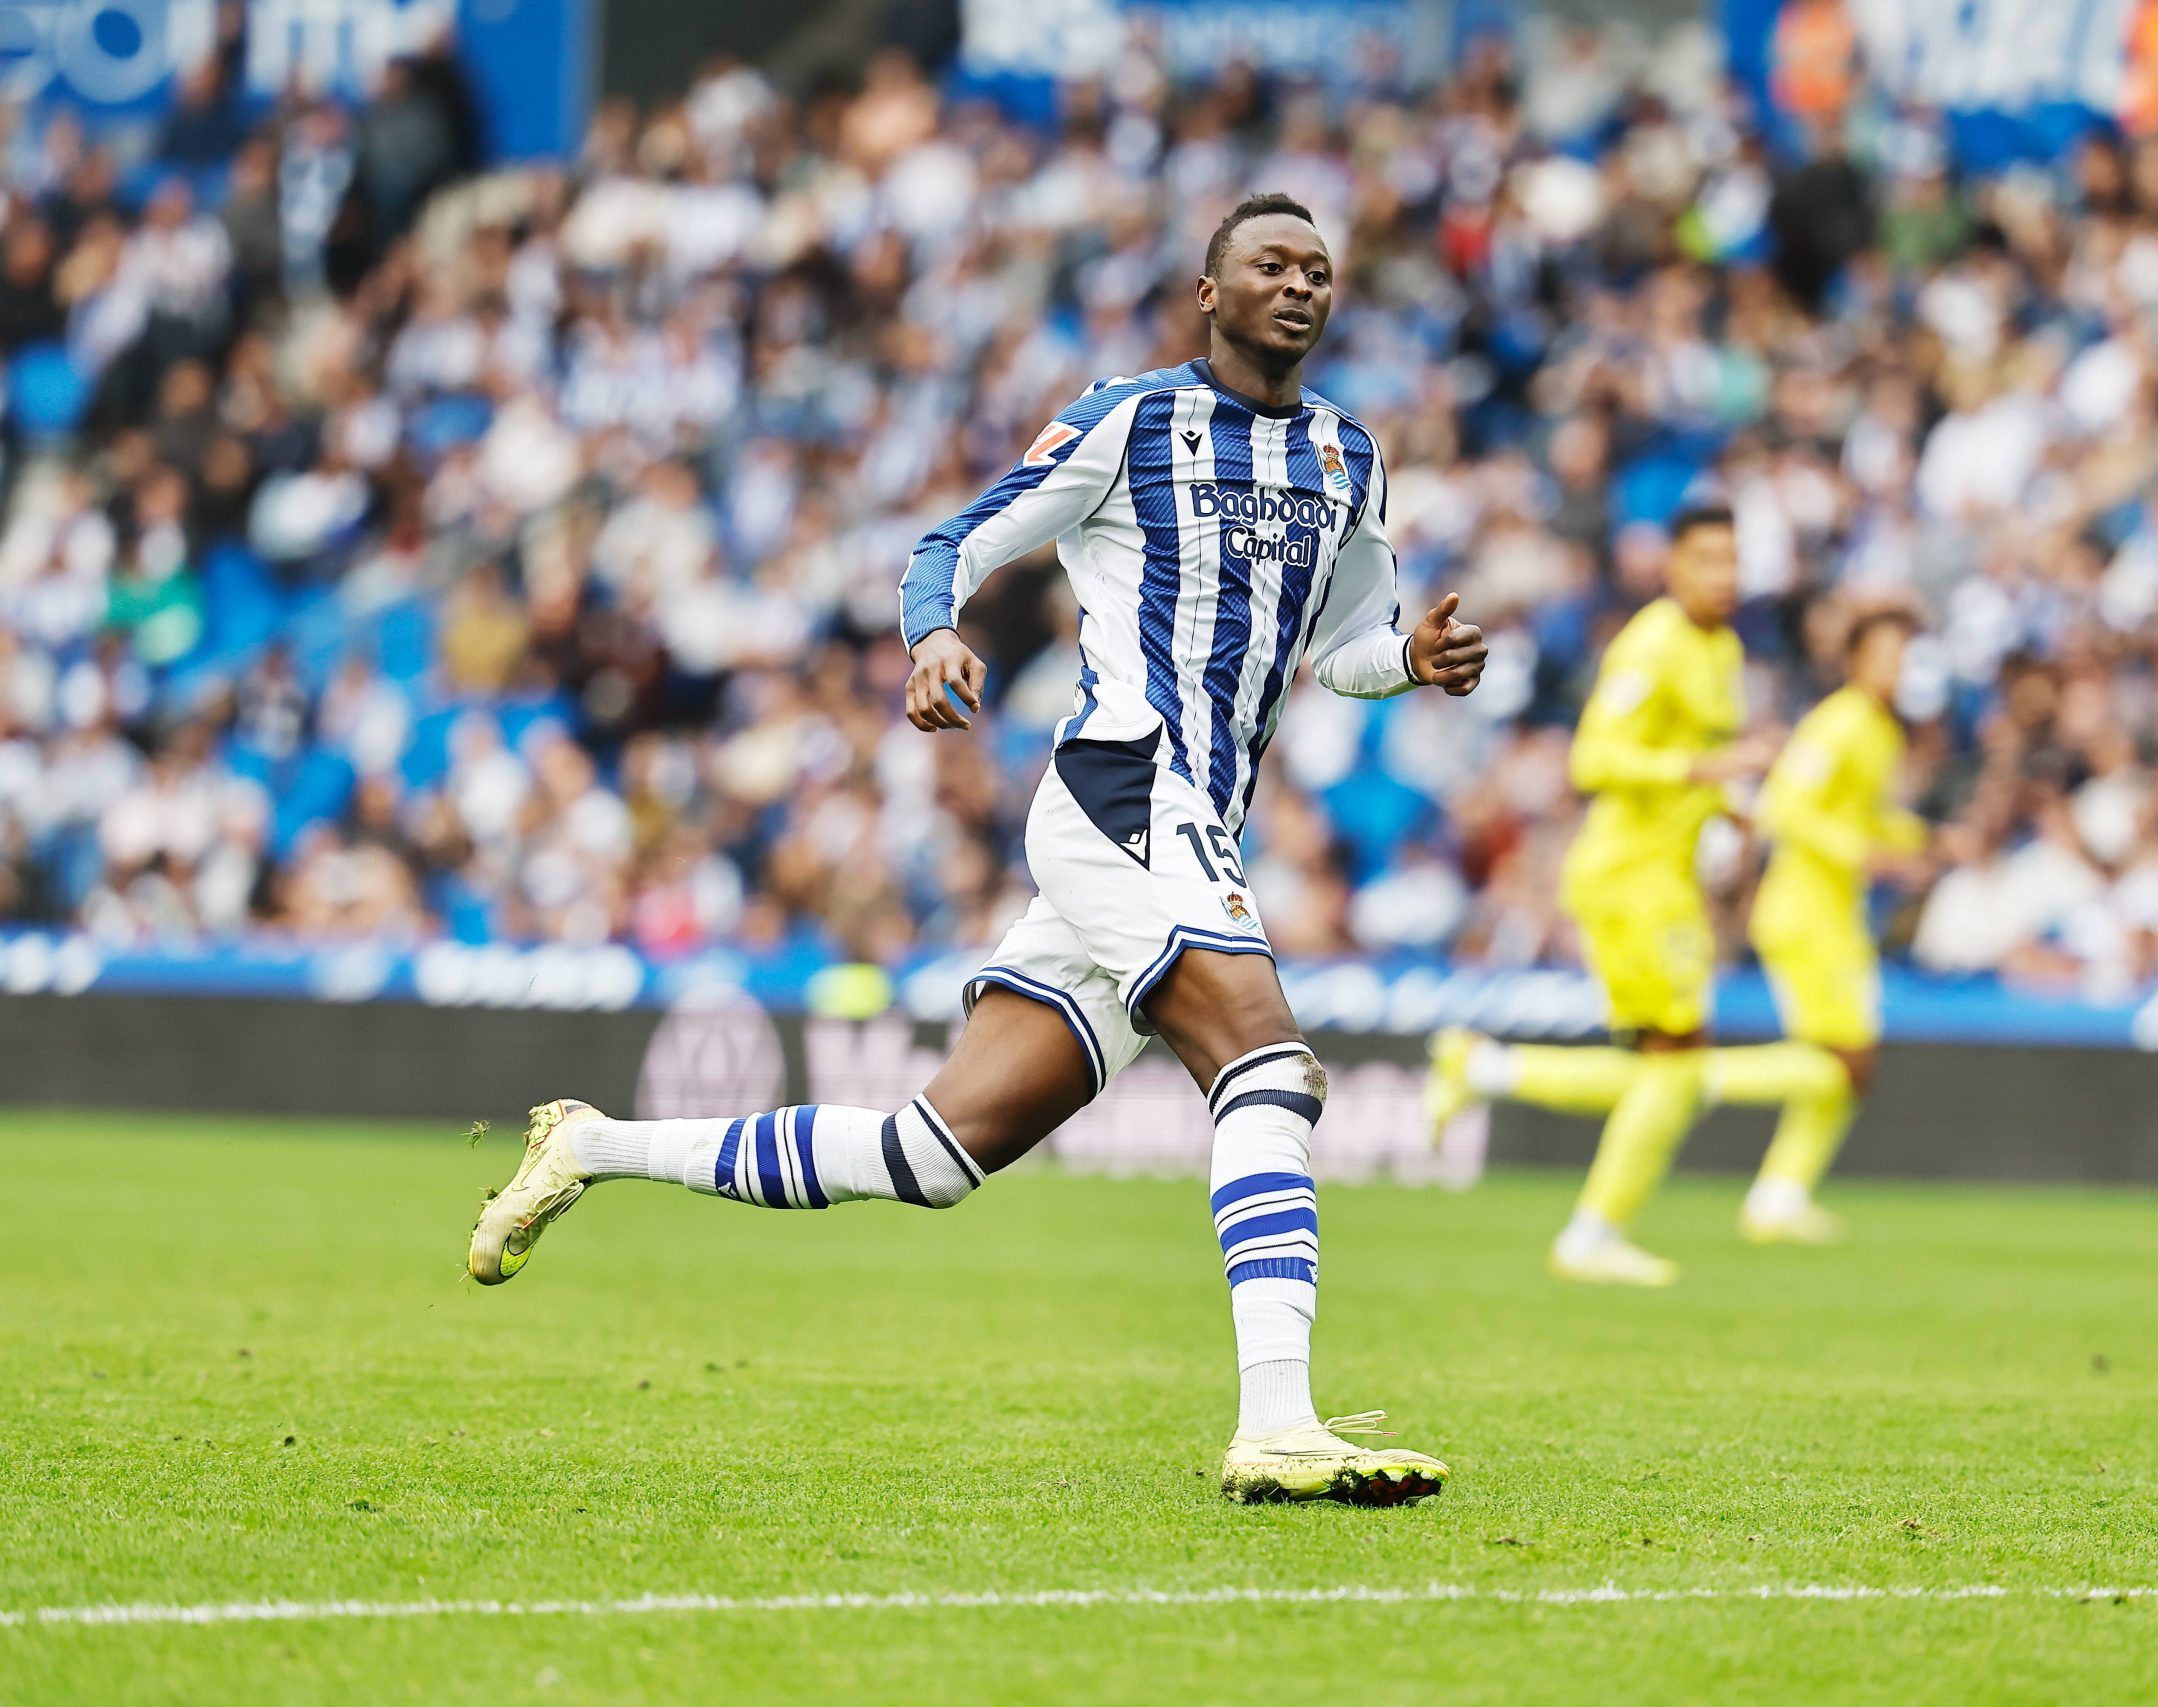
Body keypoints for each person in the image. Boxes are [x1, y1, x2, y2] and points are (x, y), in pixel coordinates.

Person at [467, 193, 1488, 1506]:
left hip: (1188, 823)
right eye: (1270, 265)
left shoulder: (1350, 457)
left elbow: (1343, 646)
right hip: (1127, 785)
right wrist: (937, 630)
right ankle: (1278, 1420)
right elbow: (957, 537)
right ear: (1209, 291)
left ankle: (595, 1144)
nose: (1300, 285)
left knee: (932, 1152)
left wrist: (1407, 657)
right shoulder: (1131, 420)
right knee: (1271, 1068)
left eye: (1319, 270)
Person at [1422, 505, 1776, 1285]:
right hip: (1628, 875)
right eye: (1708, 559)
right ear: (1673, 567)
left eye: (1732, 559)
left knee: (1664, 1066)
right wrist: (1706, 774)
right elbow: (1594, 756)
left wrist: (1734, 811)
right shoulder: (1653, 643)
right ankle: (1591, 1233)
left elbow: (1707, 758)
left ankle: (1484, 1070)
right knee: (1680, 1064)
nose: (1725, 574)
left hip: (1668, 875)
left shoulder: (1722, 648)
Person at [1724, 607, 1930, 1242]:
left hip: (1835, 918)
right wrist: (1864, 853)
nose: (1897, 668)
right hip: (1804, 914)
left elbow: (1865, 816)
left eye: (1905, 656)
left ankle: (1780, 1196)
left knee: (1847, 1064)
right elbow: (1782, 809)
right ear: (1856, 660)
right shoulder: (1839, 722)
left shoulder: (1879, 730)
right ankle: (1695, 1081)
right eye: (1886, 655)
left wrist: (1926, 841)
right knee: (1845, 1062)